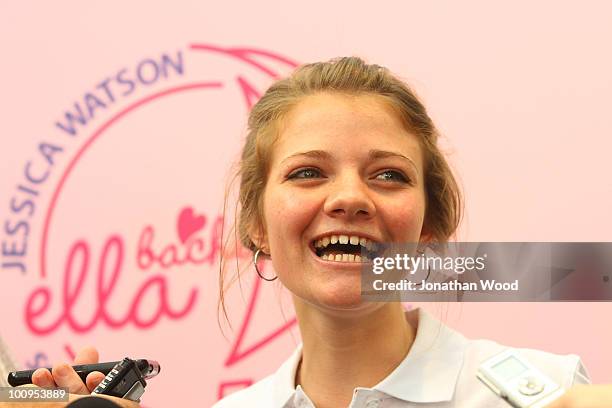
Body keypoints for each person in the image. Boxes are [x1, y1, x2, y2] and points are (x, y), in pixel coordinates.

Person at [5, 57, 611, 408]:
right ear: (256, 225)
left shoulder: (551, 395)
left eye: (390, 175)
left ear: (429, 227)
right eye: (308, 172)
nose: (349, 197)